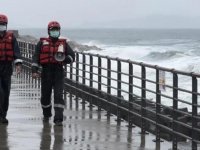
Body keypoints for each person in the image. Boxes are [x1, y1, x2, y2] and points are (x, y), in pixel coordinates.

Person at [32, 21, 75, 126]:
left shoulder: (64, 44)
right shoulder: (41, 43)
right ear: (49, 31)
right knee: (45, 96)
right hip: (46, 72)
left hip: (58, 72)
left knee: (58, 96)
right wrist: (34, 70)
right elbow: (36, 57)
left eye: (57, 30)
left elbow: (72, 56)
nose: (55, 32)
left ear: (59, 31)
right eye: (53, 30)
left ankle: (58, 118)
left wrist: (64, 59)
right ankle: (46, 114)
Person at [0, 14, 22, 124]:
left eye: (3, 24)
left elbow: (16, 52)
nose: (1, 26)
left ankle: (3, 115)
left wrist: (18, 64)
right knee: (0, 92)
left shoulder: (11, 37)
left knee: (6, 92)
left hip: (7, 67)